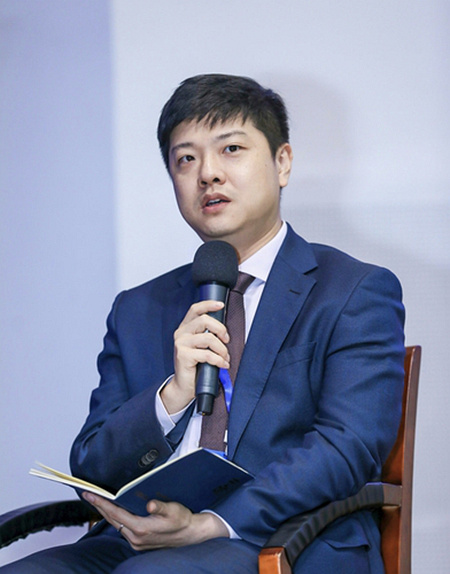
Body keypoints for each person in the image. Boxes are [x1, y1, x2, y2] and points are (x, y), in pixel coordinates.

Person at [1, 74, 405, 573]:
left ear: (282, 162)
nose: (208, 174)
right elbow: (92, 464)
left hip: (283, 541)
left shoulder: (352, 290)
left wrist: (214, 522)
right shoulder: (138, 308)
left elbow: (348, 445)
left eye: (231, 149)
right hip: (138, 543)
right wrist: (171, 396)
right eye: (186, 159)